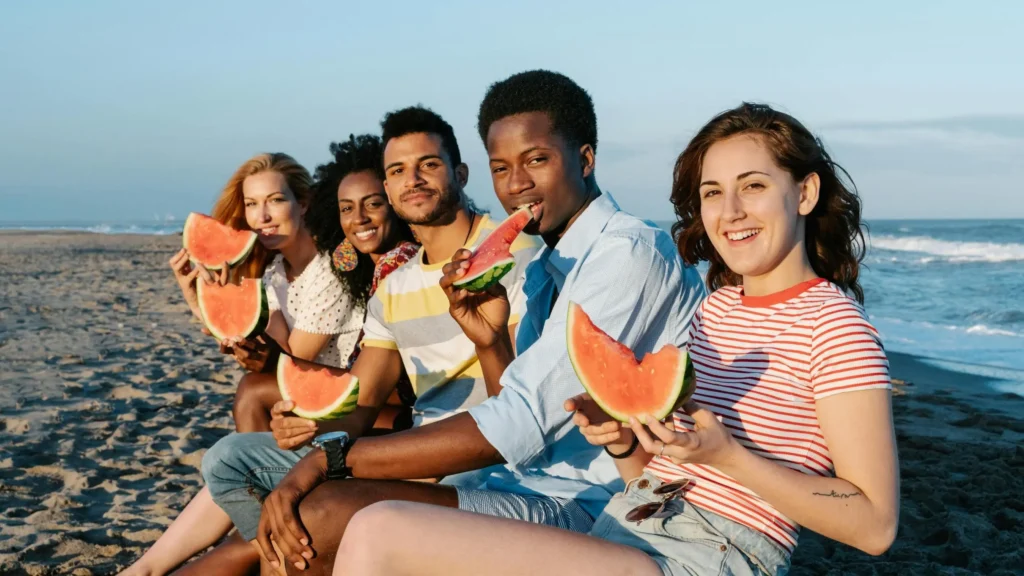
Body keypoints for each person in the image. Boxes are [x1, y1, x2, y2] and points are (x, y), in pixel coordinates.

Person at [331, 102, 900, 576]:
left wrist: (730, 456)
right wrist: (625, 444)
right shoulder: (717, 308)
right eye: (711, 193)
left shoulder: (836, 327)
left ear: (803, 193)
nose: (729, 212)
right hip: (629, 526)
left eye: (752, 187)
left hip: (708, 557)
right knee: (374, 532)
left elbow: (874, 525)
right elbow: (660, 473)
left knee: (381, 528)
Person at [251, 70, 705, 574]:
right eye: (501, 167)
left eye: (537, 160)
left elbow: (521, 423)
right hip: (520, 484)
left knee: (320, 513)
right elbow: (513, 404)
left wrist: (332, 458)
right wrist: (489, 342)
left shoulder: (627, 255)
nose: (516, 184)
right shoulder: (543, 271)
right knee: (298, 522)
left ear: (585, 158)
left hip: (592, 504)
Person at [196, 106, 539, 574]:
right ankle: (295, 558)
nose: (412, 179)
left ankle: (296, 557)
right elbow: (360, 403)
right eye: (397, 170)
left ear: (459, 173)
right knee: (225, 460)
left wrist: (324, 461)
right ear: (388, 187)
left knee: (312, 513)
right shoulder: (394, 287)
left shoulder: (518, 257)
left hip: (480, 459)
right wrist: (311, 422)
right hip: (415, 446)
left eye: (429, 165)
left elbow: (521, 407)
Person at [121, 144, 416, 575]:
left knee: (253, 391)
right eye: (252, 204)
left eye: (275, 200)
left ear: (304, 203)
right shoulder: (277, 271)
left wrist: (247, 335)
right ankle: (258, 513)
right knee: (252, 391)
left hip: (368, 404)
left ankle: (259, 517)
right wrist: (200, 296)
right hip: (329, 397)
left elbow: (289, 360)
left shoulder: (334, 267)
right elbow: (256, 343)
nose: (262, 215)